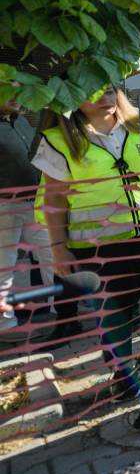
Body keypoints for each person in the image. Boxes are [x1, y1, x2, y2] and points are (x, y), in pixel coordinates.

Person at [32, 86, 140, 398]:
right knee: (115, 314)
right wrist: (59, 249)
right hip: (96, 245)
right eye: (94, 90)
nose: (104, 97)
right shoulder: (59, 138)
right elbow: (55, 199)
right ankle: (124, 378)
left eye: (110, 89)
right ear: (73, 96)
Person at [0, 99, 52, 336]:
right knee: (4, 265)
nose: (18, 97)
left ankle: (60, 310)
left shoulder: (21, 120)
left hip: (35, 200)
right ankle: (4, 324)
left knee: (52, 254)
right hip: (5, 205)